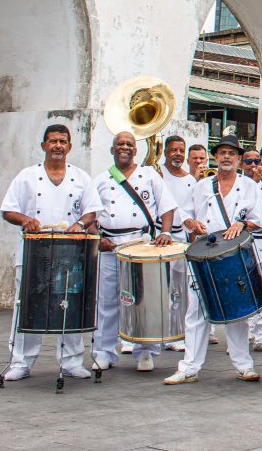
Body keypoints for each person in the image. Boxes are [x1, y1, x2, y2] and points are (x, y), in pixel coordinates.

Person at [165, 136, 262, 385]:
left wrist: (241, 223)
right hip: (205, 250)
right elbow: (184, 213)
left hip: (234, 253)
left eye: (231, 153)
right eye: (222, 152)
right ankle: (189, 367)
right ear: (216, 156)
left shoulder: (249, 186)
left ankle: (244, 365)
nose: (226, 157)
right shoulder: (201, 185)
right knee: (197, 311)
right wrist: (192, 223)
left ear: (238, 159)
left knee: (237, 311)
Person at [0, 124, 101, 381]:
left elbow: (92, 210)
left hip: (70, 252)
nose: (57, 146)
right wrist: (25, 220)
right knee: (27, 305)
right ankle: (21, 361)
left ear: (69, 146)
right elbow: (8, 209)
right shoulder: (27, 176)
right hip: (35, 250)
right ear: (43, 145)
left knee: (71, 303)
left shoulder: (80, 177)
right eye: (53, 141)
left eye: (62, 142)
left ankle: (72, 361)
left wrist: (80, 225)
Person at [92, 131, 176, 373]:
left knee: (143, 302)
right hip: (111, 246)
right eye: (120, 144)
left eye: (129, 144)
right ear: (112, 149)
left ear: (135, 150)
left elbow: (167, 207)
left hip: (141, 244)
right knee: (107, 302)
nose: (125, 147)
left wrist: (166, 233)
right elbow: (90, 214)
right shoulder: (101, 180)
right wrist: (97, 238)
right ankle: (103, 352)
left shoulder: (149, 175)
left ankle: (145, 352)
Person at [160, 135, 197, 352]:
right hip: (158, 235)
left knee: (177, 289)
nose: (177, 154)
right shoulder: (156, 174)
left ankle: (175, 334)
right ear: (165, 151)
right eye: (173, 150)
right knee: (156, 288)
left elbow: (191, 210)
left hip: (181, 238)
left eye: (181, 150)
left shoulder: (190, 180)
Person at [240, 148, 262, 353]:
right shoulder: (238, 184)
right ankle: (244, 335)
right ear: (241, 164)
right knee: (244, 290)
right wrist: (256, 182)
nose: (253, 165)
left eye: (256, 161)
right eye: (248, 162)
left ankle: (261, 336)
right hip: (244, 242)